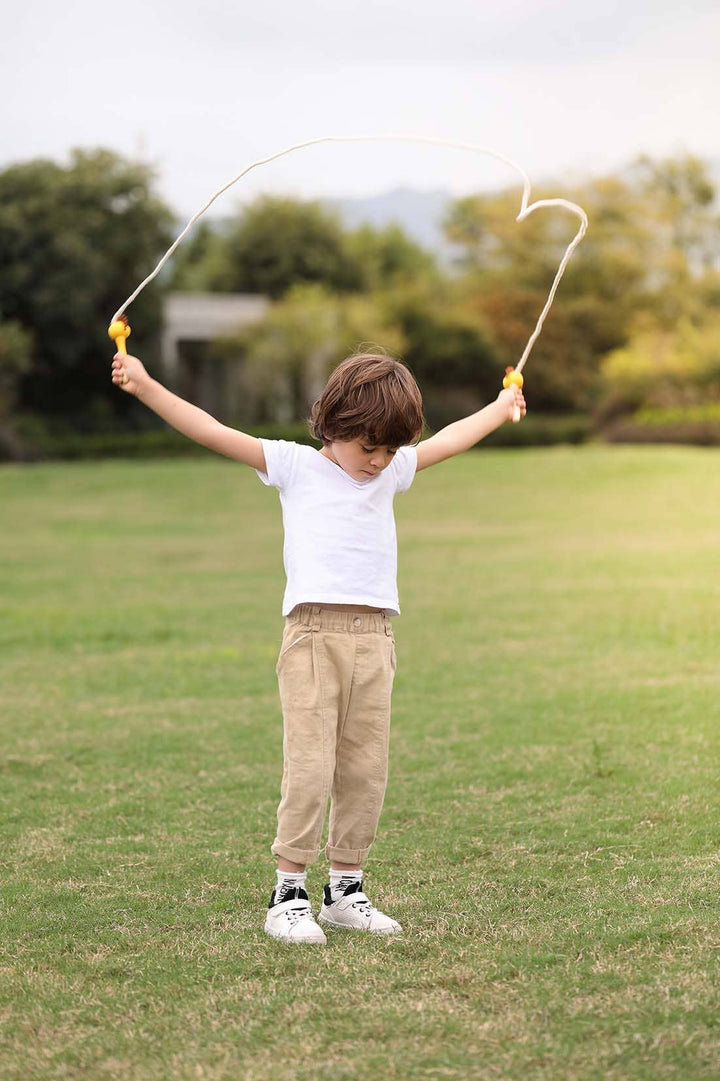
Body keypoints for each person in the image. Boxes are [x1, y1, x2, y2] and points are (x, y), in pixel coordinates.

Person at [111, 348, 526, 944]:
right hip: (312, 636)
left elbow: (451, 441)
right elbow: (210, 429)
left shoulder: (390, 471)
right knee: (310, 766)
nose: (379, 462)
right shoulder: (294, 466)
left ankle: (345, 889)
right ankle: (288, 895)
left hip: (376, 639)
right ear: (333, 426)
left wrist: (499, 405)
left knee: (365, 769)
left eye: (390, 451)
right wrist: (147, 386)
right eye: (369, 449)